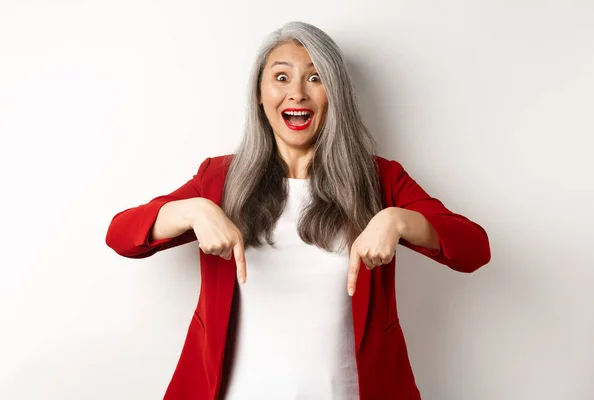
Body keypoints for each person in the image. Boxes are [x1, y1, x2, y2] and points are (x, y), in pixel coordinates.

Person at [105, 20, 491, 400]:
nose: (297, 94)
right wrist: (193, 211)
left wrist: (399, 220)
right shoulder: (220, 178)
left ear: (334, 93)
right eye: (281, 77)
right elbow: (121, 236)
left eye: (315, 77)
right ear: (259, 93)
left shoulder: (380, 179)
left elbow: (474, 249)